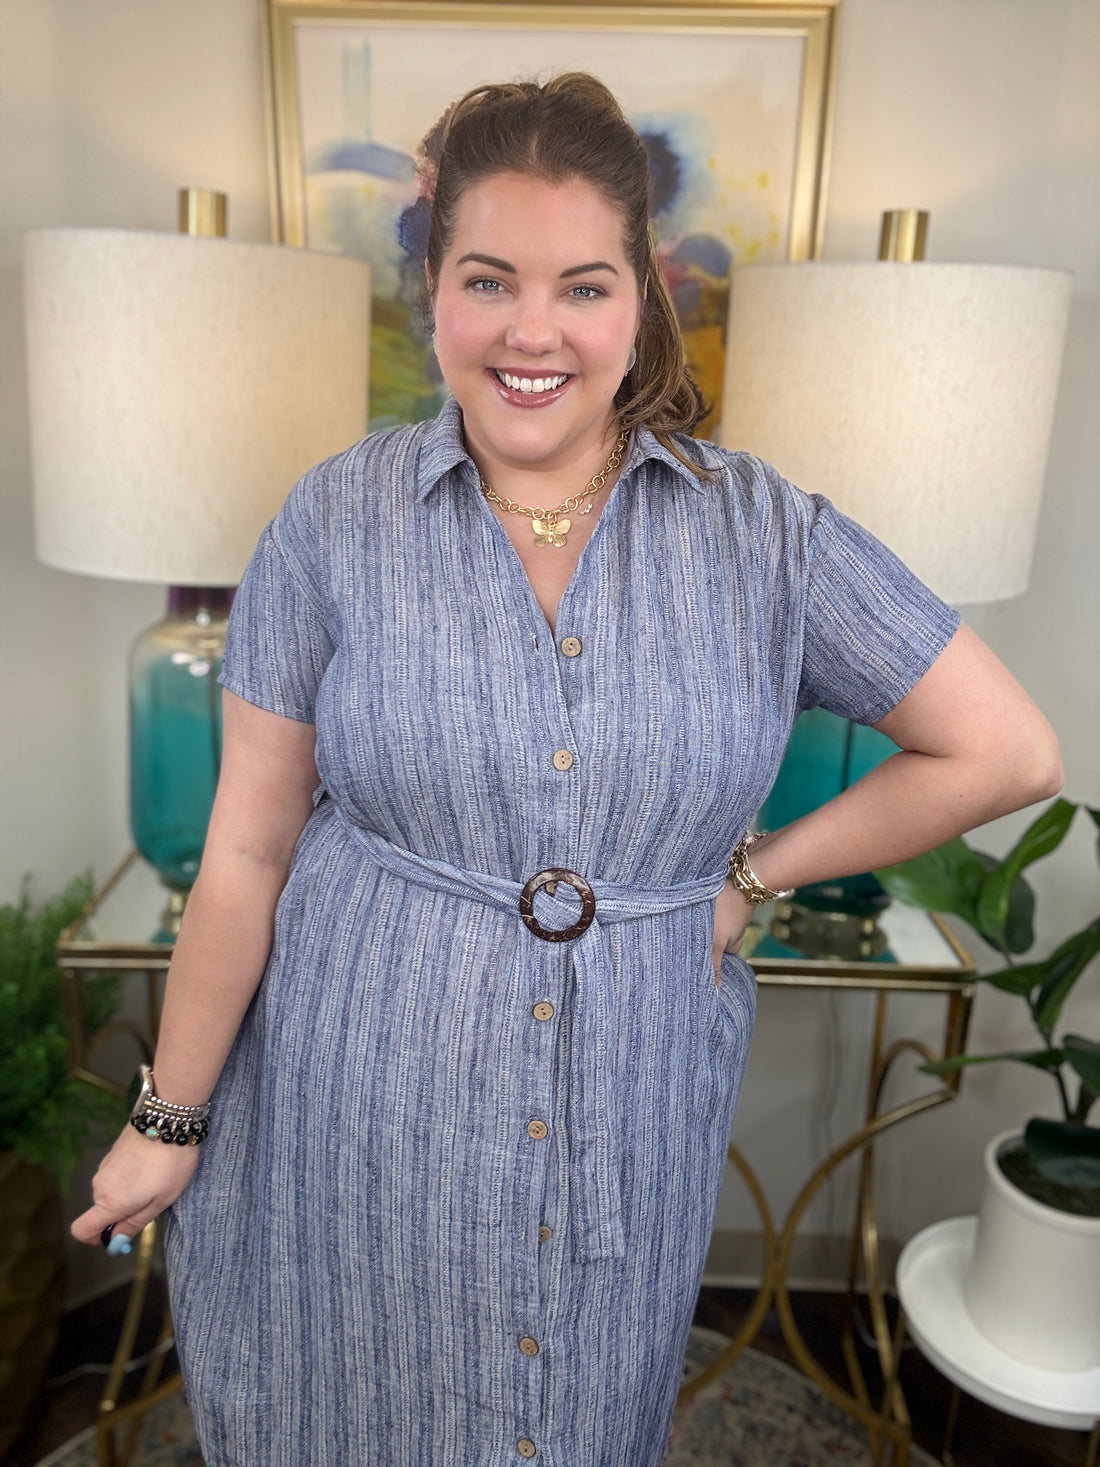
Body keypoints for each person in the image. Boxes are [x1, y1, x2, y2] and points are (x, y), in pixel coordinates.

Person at [72, 73, 1061, 1467]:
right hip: (347, 1107)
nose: (533, 331)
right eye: (489, 279)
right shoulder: (335, 520)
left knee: (574, 1418)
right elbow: (244, 845)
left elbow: (1006, 748)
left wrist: (751, 873)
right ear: (433, 289)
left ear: (640, 300)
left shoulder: (762, 534)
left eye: (583, 286)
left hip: (628, 1111)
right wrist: (167, 1121)